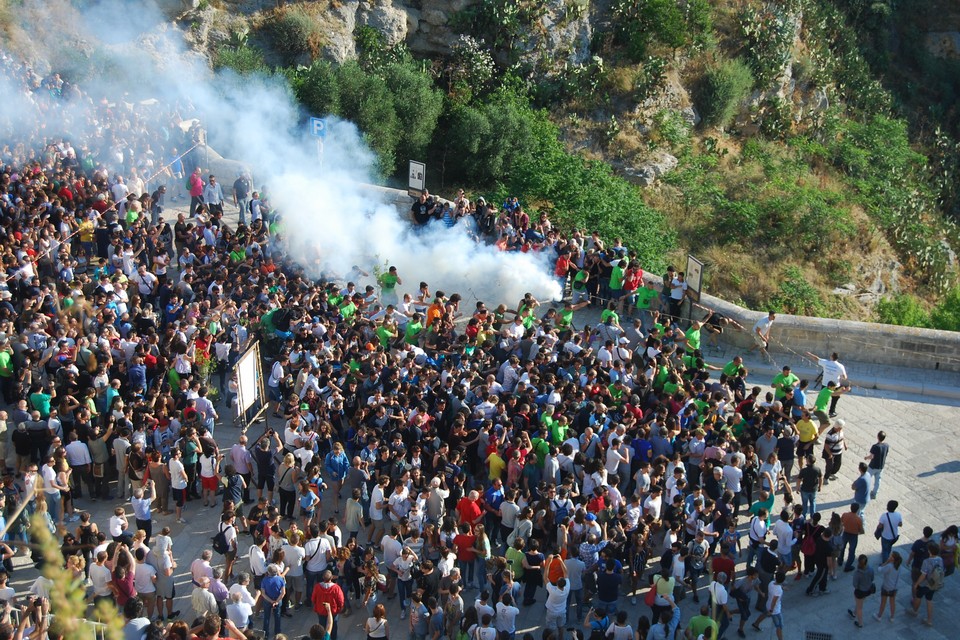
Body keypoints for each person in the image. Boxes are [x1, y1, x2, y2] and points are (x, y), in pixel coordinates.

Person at [908, 541, 944, 627]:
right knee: (929, 600)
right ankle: (929, 620)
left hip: (925, 584)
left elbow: (923, 575)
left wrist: (916, 584)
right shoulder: (940, 559)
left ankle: (915, 611)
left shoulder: (927, 561)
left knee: (918, 596)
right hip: (934, 584)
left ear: (930, 551)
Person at [751, 570, 785, 639]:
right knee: (779, 626)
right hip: (775, 611)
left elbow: (776, 588)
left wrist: (782, 587)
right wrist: (771, 611)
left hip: (768, 604)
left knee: (764, 614)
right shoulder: (779, 590)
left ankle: (756, 623)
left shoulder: (771, 583)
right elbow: (774, 601)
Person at [874, 551, 902, 622]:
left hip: (886, 586)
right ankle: (892, 617)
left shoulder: (889, 566)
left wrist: (886, 562)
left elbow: (879, 569)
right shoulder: (898, 566)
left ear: (893, 558)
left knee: (883, 602)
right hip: (894, 587)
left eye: (890, 556)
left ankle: (879, 616)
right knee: (892, 602)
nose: (889, 557)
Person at [848, 554, 874, 628]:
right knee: (860, 603)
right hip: (868, 590)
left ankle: (860, 623)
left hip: (860, 591)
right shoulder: (871, 569)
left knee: (860, 607)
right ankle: (854, 613)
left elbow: (855, 584)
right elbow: (872, 578)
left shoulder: (857, 573)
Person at [864, 431, 889, 501]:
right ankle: (874, 493)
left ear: (878, 437)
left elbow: (872, 456)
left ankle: (864, 492)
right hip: (881, 466)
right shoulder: (886, 445)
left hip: (873, 466)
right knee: (878, 480)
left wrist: (866, 457)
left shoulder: (875, 446)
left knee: (867, 478)